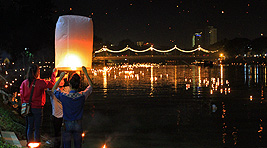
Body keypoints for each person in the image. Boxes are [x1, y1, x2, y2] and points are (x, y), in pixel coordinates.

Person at [52, 66, 93, 148]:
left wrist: (60, 78)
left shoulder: (64, 96)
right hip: (78, 123)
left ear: (69, 84)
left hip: (67, 123)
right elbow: (91, 86)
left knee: (67, 145)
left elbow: (53, 89)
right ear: (79, 85)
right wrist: (85, 72)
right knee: (78, 145)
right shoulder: (82, 95)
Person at [20, 64, 57, 144]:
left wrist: (24, 104)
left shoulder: (24, 83)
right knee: (37, 128)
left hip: (28, 108)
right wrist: (53, 74)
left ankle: (29, 143)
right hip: (37, 108)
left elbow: (22, 96)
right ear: (37, 72)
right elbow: (52, 84)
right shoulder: (40, 82)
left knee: (29, 126)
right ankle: (37, 144)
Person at [48, 77, 67, 148]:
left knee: (65, 134)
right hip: (56, 115)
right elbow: (49, 88)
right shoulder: (53, 91)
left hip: (65, 115)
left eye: (62, 80)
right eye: (60, 80)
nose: (61, 81)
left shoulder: (67, 90)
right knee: (57, 135)